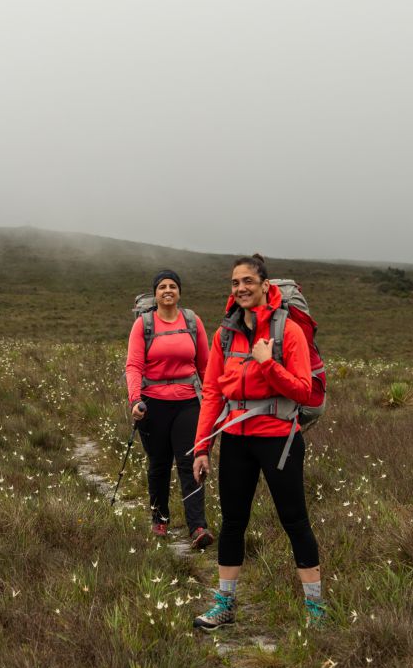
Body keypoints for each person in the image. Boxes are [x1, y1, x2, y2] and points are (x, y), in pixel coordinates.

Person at [191, 254, 324, 630]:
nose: (241, 288)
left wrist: (267, 362)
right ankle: (225, 605)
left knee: (295, 521)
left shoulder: (288, 332)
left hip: (279, 439)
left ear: (266, 286)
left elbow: (304, 390)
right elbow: (212, 393)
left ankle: (316, 611)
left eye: (248, 281)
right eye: (235, 283)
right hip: (235, 439)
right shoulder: (225, 334)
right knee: (233, 523)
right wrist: (202, 447)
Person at [125, 269, 214, 549]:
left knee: (190, 463)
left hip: (188, 403)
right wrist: (135, 400)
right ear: (155, 293)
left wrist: (213, 399)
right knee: (159, 464)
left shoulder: (192, 321)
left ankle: (197, 527)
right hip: (153, 404)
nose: (167, 290)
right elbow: (134, 365)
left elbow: (205, 365)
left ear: (179, 292)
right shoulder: (143, 325)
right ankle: (160, 519)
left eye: (172, 286)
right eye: (162, 286)